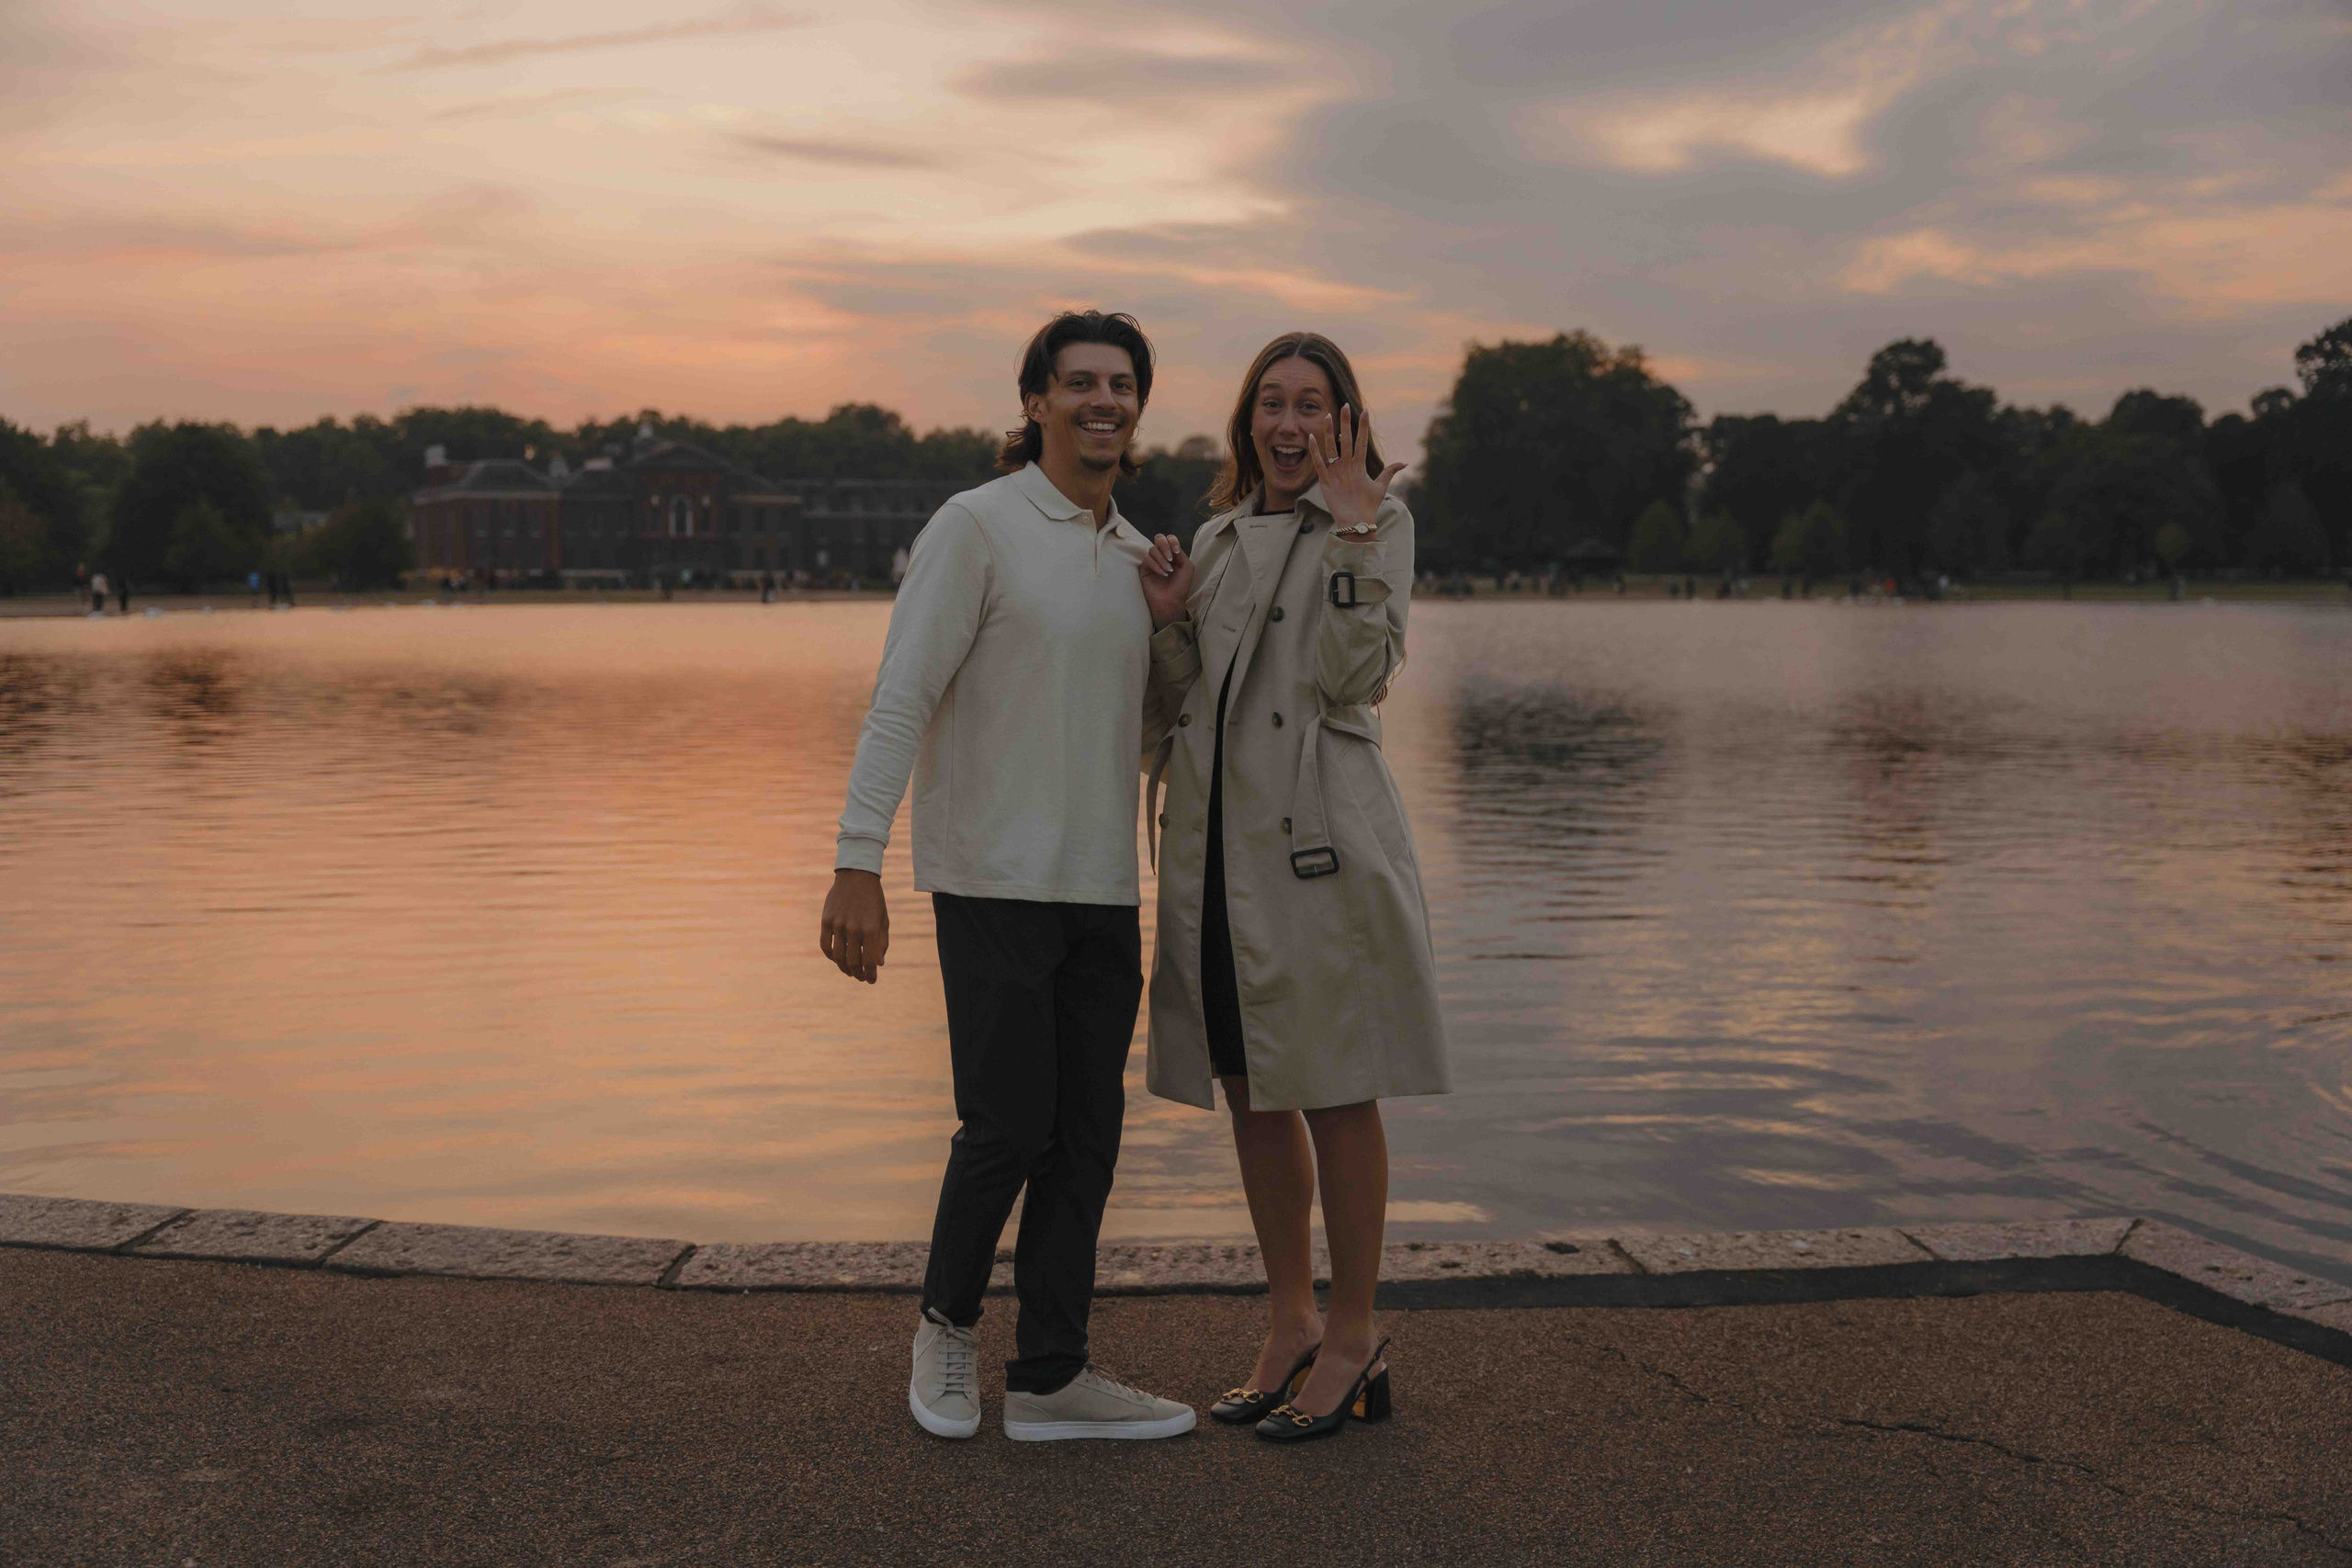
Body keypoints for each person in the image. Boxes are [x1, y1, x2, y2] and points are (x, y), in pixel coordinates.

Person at [820, 310, 1195, 1445]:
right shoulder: (974, 525)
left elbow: (1143, 737)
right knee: (1006, 1127)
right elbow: (901, 697)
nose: (1102, 401)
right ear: (1035, 402)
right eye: (1079, 382)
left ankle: (1050, 1377)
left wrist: (1167, 630)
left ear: (1137, 406)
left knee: (1085, 1139)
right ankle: (944, 1327)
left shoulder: (1137, 559)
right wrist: (856, 862)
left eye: (1120, 384)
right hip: (990, 875)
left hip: (1103, 886)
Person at [1136, 331, 1450, 1443]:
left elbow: (1354, 677)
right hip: (1219, 852)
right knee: (1251, 1086)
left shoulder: (1375, 524)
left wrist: (1354, 531)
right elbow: (1188, 702)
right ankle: (1289, 1323)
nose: (1288, 423)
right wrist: (1169, 622)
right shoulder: (1219, 537)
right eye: (1270, 402)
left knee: (1336, 1087)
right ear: (1247, 420)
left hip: (1317, 848)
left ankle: (1354, 1335)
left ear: (1344, 422)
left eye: (1311, 404)